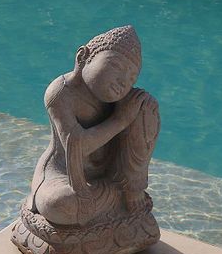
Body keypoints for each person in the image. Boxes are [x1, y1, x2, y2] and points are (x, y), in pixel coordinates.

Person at [25, 25, 160, 227]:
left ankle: (128, 192)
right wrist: (120, 120)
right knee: (58, 205)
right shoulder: (61, 93)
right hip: (62, 174)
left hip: (106, 175)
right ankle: (118, 202)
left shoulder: (121, 101)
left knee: (145, 108)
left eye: (132, 78)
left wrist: (134, 183)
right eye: (116, 66)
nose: (123, 82)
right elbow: (76, 147)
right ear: (83, 57)